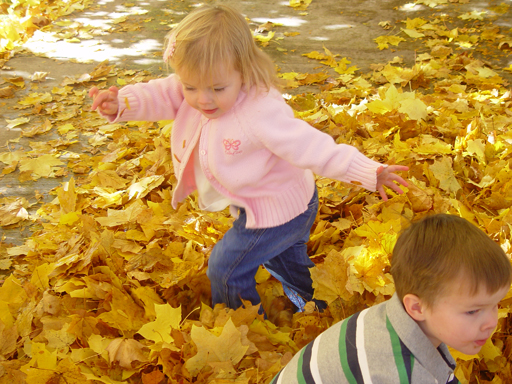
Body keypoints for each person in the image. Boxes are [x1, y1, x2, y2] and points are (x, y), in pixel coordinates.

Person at [88, 4, 408, 313]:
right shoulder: (201, 83)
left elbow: (313, 147)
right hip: (275, 200)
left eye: (217, 88)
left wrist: (368, 171)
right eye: (191, 87)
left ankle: (242, 328)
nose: (202, 100)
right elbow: (162, 92)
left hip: (278, 211)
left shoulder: (260, 112)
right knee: (284, 262)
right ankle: (320, 304)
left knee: (225, 268)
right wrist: (122, 104)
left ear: (242, 71)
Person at [271, 214, 512, 383]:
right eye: (473, 311)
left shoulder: (399, 320)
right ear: (417, 307)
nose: (492, 321)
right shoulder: (397, 373)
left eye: (496, 305)